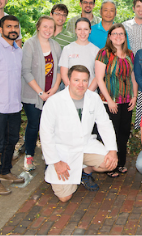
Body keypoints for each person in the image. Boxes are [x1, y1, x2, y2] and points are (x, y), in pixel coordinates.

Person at [40, 65, 118, 202]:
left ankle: (84, 169)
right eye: (76, 80)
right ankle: (52, 166)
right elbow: (46, 135)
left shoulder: (94, 98)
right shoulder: (54, 102)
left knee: (109, 163)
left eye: (84, 80)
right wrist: (56, 162)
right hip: (63, 151)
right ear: (68, 80)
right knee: (65, 197)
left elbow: (104, 124)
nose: (81, 85)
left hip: (86, 145)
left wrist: (112, 150)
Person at [95, 24, 137, 177]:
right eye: (115, 34)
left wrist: (134, 96)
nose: (118, 36)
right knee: (110, 134)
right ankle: (109, 166)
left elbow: (133, 77)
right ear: (110, 36)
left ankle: (120, 163)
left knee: (123, 133)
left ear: (125, 37)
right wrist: (109, 100)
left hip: (126, 100)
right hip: (109, 102)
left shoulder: (130, 54)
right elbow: (99, 79)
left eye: (121, 34)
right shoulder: (103, 53)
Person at [21, 16, 62, 171]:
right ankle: (29, 156)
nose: (48, 30)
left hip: (52, 94)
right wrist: (40, 92)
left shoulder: (56, 45)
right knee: (34, 124)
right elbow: (26, 71)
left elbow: (59, 69)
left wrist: (55, 88)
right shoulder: (30, 45)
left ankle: (49, 155)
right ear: (38, 27)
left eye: (51, 27)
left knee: (50, 126)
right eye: (45, 26)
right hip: (32, 95)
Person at [0, 15, 24, 195]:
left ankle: (5, 172)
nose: (13, 29)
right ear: (0, 29)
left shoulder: (18, 51)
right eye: (9, 26)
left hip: (14, 106)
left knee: (12, 141)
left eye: (16, 26)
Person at [59, 18, 99, 91]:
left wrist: (88, 93)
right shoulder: (67, 49)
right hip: (70, 93)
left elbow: (98, 76)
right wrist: (73, 91)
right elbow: (64, 74)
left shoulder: (96, 50)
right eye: (79, 29)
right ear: (75, 30)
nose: (82, 32)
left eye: (86, 29)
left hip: (90, 93)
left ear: (90, 30)